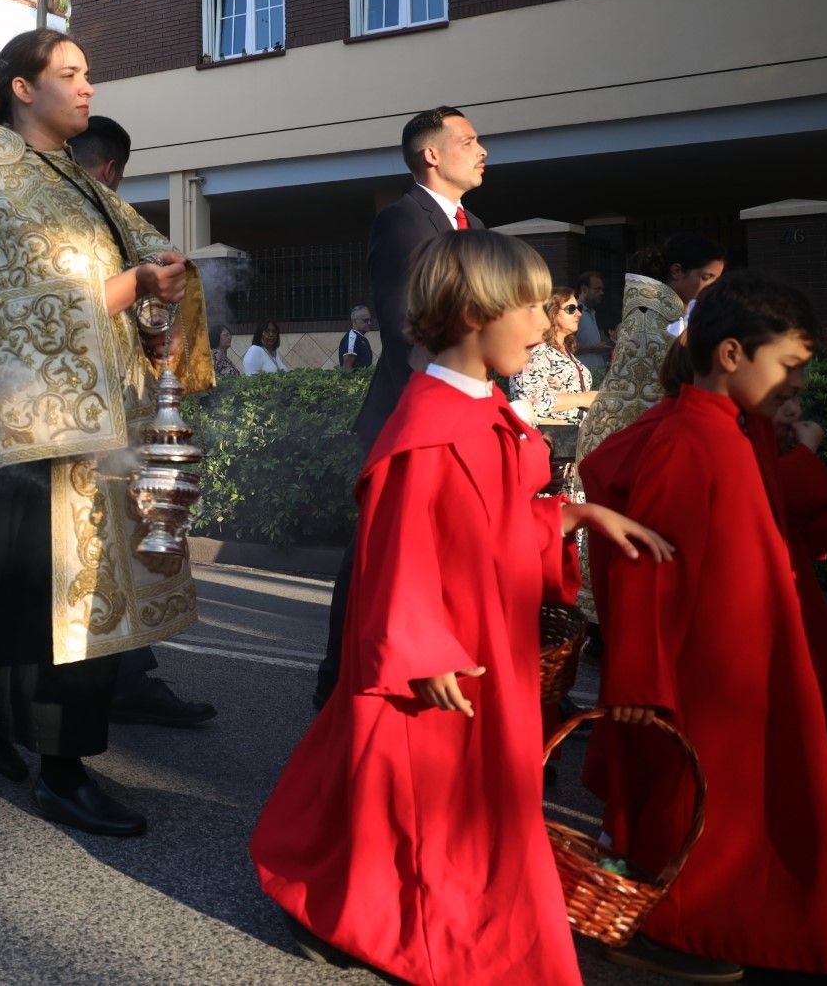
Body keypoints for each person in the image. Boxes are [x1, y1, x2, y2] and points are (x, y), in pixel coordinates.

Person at [252, 230, 670, 984]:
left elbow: (489, 522)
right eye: (534, 308)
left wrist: (570, 519)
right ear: (477, 313)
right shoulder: (432, 427)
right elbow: (399, 555)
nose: (547, 325)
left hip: (481, 637)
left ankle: (370, 906)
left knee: (407, 794)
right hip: (446, 649)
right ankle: (380, 918)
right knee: (414, 796)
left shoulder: (474, 408)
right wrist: (422, 649)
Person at [0, 30, 214, 837]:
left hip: (95, 422)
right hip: (45, 430)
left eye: (89, 73)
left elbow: (134, 265)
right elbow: (27, 310)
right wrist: (134, 285)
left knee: (43, 604)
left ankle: (1, 730)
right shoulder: (7, 186)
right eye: (69, 75)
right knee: (65, 611)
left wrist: (161, 297)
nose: (87, 88)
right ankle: (62, 772)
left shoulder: (75, 185)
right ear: (21, 88)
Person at [581, 274, 827, 981]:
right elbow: (648, 567)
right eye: (790, 367)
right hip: (704, 675)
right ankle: (678, 926)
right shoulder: (688, 441)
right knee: (703, 811)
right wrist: (639, 679)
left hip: (749, 660)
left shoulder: (732, 431)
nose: (796, 384)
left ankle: (744, 924)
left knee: (748, 811)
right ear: (734, 354)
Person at [316, 107, 487, 708]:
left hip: (461, 407)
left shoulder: (473, 224)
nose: (483, 150)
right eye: (469, 140)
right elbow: (405, 324)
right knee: (375, 548)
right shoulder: (402, 222)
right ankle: (339, 680)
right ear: (431, 155)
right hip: (411, 412)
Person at [65, 112, 217, 729]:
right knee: (108, 547)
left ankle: (128, 675)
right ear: (111, 171)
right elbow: (167, 278)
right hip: (101, 419)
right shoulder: (99, 218)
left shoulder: (38, 213)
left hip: (61, 413)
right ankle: (107, 684)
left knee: (111, 550)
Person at [573, 232, 724, 465]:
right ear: (676, 272)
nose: (713, 287)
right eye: (707, 277)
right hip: (638, 450)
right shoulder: (650, 320)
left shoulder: (666, 316)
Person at [508, 286, 599, 426]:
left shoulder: (564, 352)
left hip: (576, 437)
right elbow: (530, 402)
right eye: (570, 309)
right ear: (552, 313)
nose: (579, 314)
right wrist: (581, 398)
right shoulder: (534, 351)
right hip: (553, 439)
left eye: (578, 308)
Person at [572, 269, 609, 380]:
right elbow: (565, 347)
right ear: (584, 289)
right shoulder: (574, 312)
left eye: (602, 289)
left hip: (593, 376)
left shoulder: (590, 312)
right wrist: (593, 348)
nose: (601, 293)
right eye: (597, 289)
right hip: (581, 379)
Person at [338, 306, 373, 370]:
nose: (369, 323)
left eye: (370, 320)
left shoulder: (362, 338)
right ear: (354, 321)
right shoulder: (352, 338)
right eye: (365, 320)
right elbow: (346, 368)